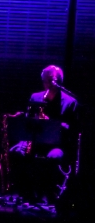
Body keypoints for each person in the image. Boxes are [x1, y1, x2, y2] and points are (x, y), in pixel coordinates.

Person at [9, 65, 78, 204]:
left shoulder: (70, 102)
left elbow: (72, 129)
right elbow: (28, 121)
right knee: (15, 152)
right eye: (45, 80)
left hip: (56, 143)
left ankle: (47, 195)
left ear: (58, 81)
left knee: (53, 157)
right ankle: (26, 194)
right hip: (35, 141)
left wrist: (51, 124)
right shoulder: (36, 97)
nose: (47, 84)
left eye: (50, 80)